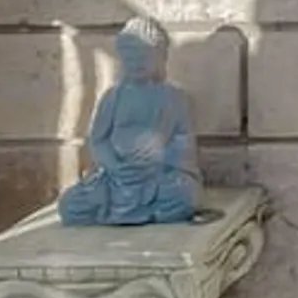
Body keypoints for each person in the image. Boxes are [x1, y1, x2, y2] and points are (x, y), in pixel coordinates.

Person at [60, 15, 201, 226]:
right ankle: (123, 209)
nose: (136, 63)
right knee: (70, 204)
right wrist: (115, 166)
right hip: (115, 178)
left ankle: (148, 210)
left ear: (160, 57)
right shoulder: (113, 97)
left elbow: (184, 141)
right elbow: (98, 140)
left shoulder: (173, 98)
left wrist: (159, 154)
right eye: (130, 57)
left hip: (157, 177)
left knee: (184, 196)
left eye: (143, 56)